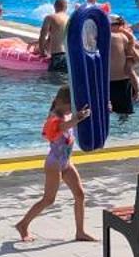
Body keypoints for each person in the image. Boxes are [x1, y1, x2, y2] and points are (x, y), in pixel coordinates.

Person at [15, 88, 94, 242]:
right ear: (61, 103)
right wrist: (77, 118)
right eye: (69, 106)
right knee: (49, 199)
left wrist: (104, 109)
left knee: (80, 195)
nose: (71, 109)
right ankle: (23, 224)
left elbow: (84, 114)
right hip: (54, 164)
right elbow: (62, 127)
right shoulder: (54, 118)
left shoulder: (68, 114)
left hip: (66, 162)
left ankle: (80, 232)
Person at [108, 16, 139, 120]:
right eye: (114, 25)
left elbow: (137, 60)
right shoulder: (122, 37)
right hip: (120, 82)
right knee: (124, 115)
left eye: (117, 25)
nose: (115, 27)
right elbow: (138, 60)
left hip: (114, 82)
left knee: (113, 113)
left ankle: (138, 91)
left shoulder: (119, 37)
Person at [36, 0, 70, 71]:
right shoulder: (70, 18)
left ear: (54, 6)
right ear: (66, 7)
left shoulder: (50, 18)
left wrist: (42, 52)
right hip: (69, 57)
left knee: (52, 80)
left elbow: (42, 36)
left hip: (57, 56)